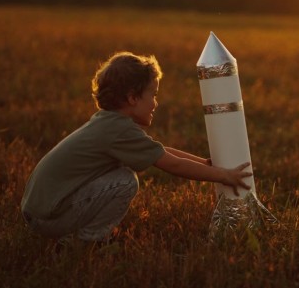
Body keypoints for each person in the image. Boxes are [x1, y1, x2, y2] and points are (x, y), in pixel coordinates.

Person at [20, 51, 252, 251]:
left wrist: (204, 163)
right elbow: (172, 164)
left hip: (42, 210)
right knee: (125, 181)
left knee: (122, 175)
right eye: (153, 94)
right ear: (132, 98)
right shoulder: (118, 131)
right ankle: (86, 242)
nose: (155, 103)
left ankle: (81, 236)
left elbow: (162, 151)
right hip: (49, 217)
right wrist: (224, 175)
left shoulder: (110, 123)